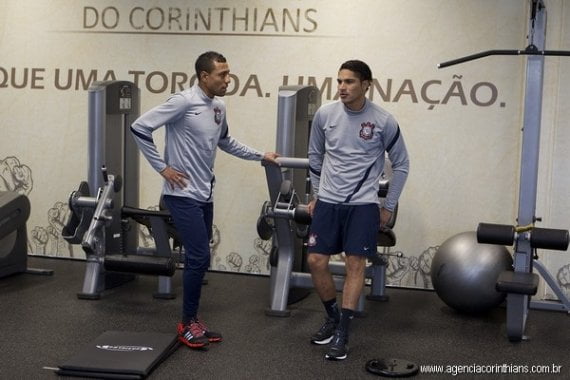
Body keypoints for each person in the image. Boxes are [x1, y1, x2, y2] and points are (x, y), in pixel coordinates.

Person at [130, 51, 279, 349]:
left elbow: (225, 141)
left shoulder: (219, 106)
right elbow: (140, 127)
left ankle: (194, 320)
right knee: (198, 257)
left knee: (201, 258)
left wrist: (259, 155)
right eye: (221, 74)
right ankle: (187, 323)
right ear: (203, 76)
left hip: (204, 193)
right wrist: (162, 168)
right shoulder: (183, 102)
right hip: (180, 194)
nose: (228, 79)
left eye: (228, 73)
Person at [306, 59, 409, 360]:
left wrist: (387, 205)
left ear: (366, 85)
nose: (342, 87)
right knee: (315, 260)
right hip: (328, 201)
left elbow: (402, 163)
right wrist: (315, 194)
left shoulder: (383, 120)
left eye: (349, 82)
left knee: (355, 266)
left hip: (363, 204)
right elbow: (315, 156)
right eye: (339, 81)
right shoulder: (326, 114)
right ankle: (332, 316)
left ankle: (343, 333)